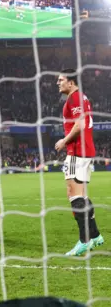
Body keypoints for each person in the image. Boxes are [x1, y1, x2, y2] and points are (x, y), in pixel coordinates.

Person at [54, 69, 104, 256]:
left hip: (77, 151)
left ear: (71, 82)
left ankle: (85, 241)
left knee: (73, 195)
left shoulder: (74, 99)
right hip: (86, 151)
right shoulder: (82, 97)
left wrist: (63, 141)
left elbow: (81, 124)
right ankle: (96, 235)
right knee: (81, 195)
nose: (58, 83)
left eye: (61, 80)